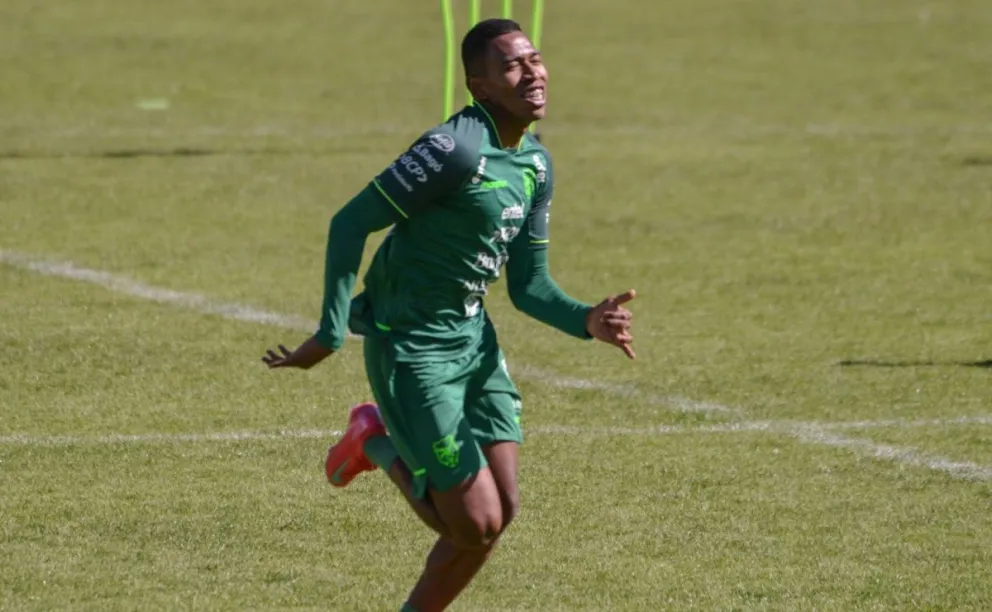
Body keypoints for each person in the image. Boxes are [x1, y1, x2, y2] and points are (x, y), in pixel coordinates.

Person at [261, 18, 636, 612]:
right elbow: (350, 222)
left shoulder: (535, 165)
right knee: (473, 525)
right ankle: (374, 439)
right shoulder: (453, 149)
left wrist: (586, 319)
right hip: (412, 348)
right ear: (480, 87)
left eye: (535, 59)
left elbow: (530, 286)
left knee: (501, 512)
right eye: (513, 65)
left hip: (473, 342)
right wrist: (330, 333)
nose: (533, 73)